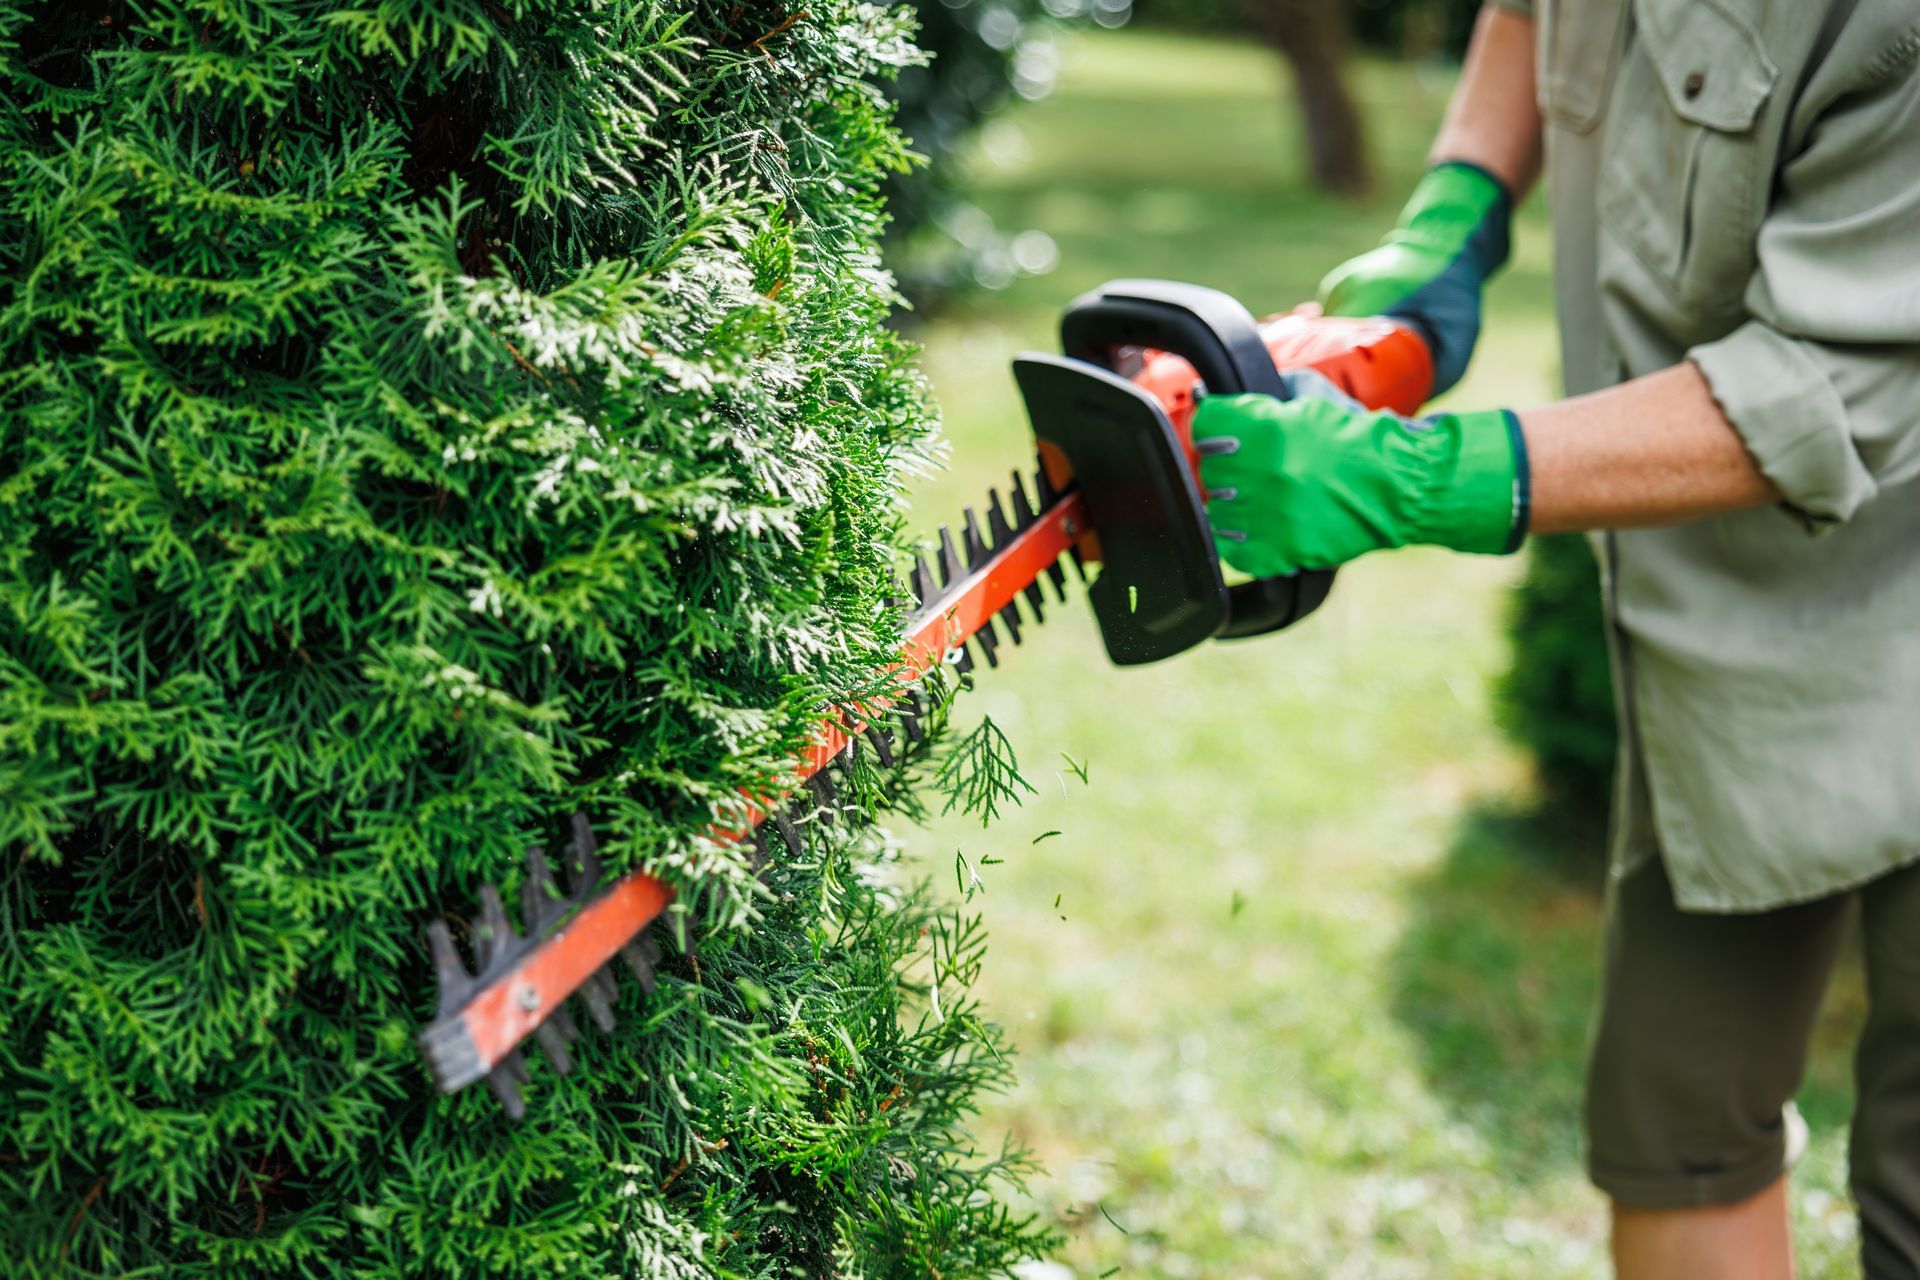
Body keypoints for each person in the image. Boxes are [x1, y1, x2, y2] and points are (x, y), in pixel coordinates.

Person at [1189, 2, 1920, 1276]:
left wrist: (1429, 477)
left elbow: (1841, 385)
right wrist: (1452, 219)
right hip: (1729, 601)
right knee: (1675, 1126)